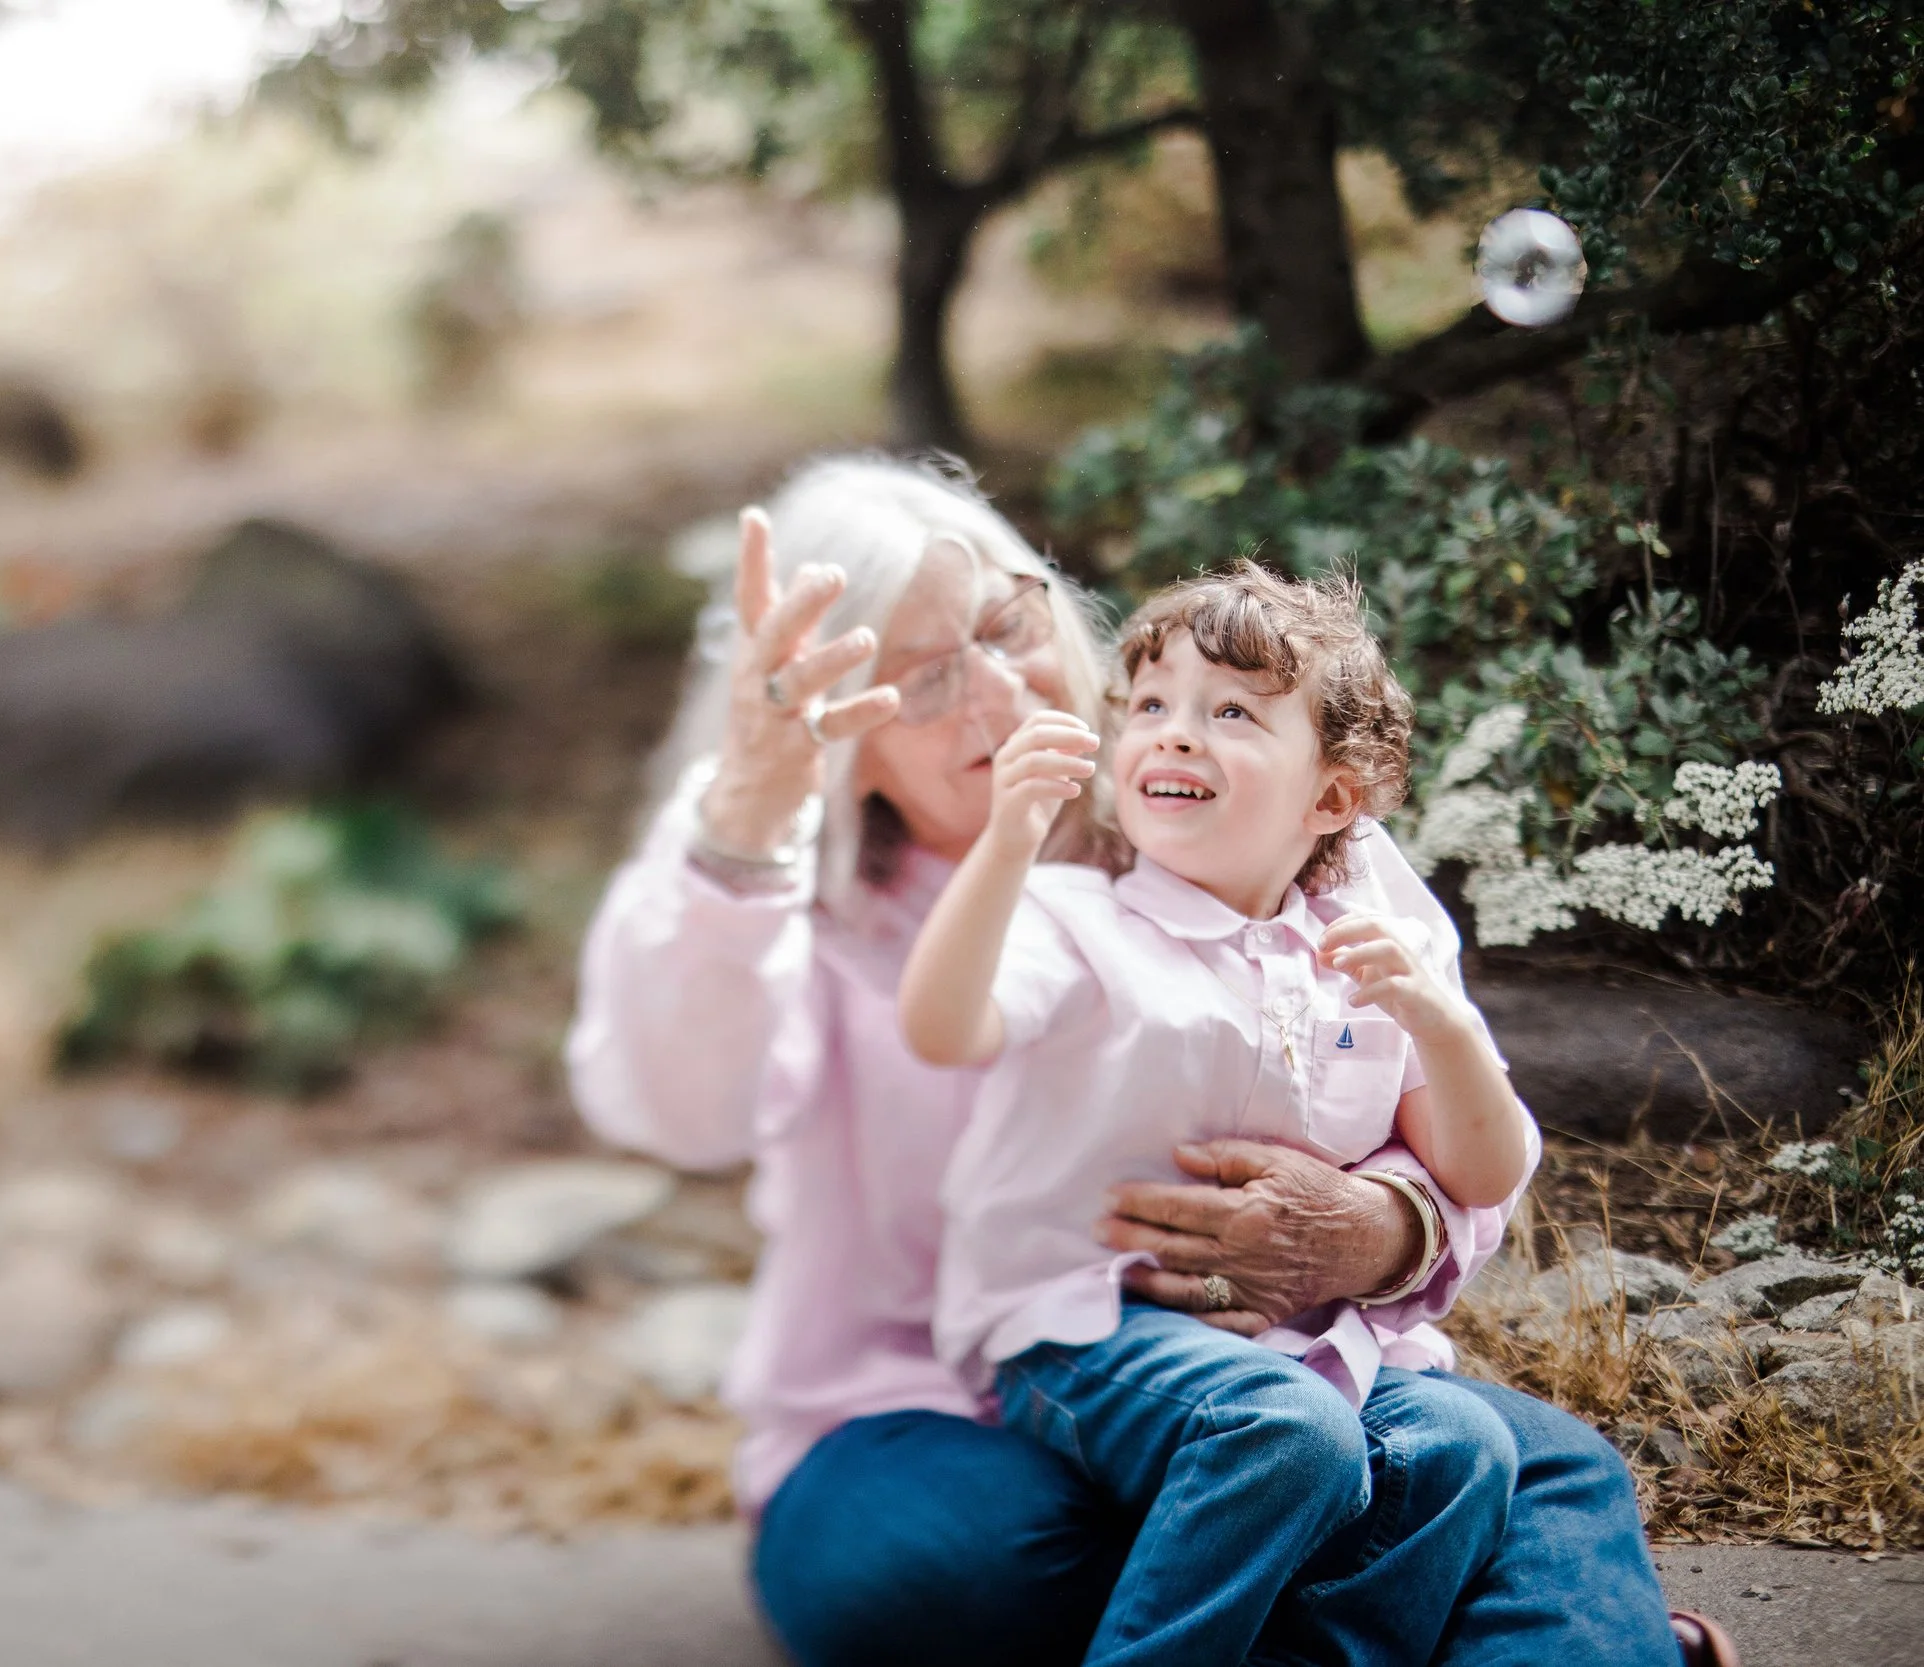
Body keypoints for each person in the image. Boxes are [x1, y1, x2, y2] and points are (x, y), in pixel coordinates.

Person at [567, 454, 1711, 1666]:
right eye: (916, 681)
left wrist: (1383, 1227)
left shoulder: (1256, 817)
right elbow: (677, 1106)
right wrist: (747, 816)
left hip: (1262, 1383)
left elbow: (1452, 1122)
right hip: (934, 1412)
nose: (995, 692)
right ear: (837, 731)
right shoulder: (796, 891)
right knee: (977, 1562)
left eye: (1007, 626)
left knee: (1524, 1464)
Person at [897, 565, 1537, 1664]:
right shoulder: (1075, 917)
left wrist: (1441, 1024)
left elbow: (1481, 1172)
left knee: (1462, 1442)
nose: (1174, 735)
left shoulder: (1373, 950)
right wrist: (1008, 839)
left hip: (1298, 1341)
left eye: (1230, 712)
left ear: (1330, 798)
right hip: (1082, 1323)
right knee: (1284, 1432)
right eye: (1149, 707)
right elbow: (944, 1027)